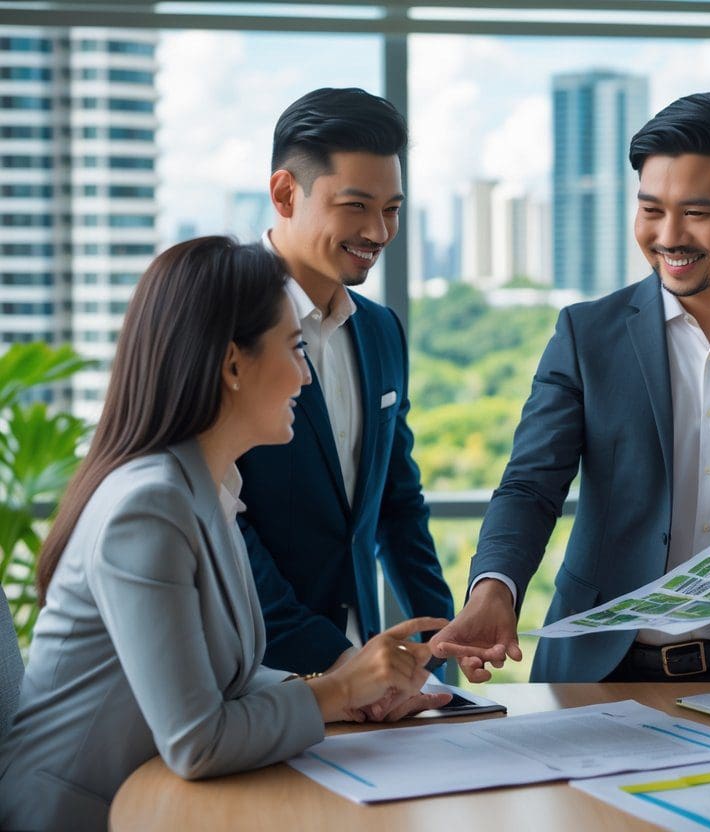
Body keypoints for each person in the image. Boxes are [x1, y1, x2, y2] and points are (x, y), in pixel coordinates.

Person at [0, 238, 451, 832]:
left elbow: (225, 680)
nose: (305, 373)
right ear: (233, 365)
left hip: (158, 798)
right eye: (294, 348)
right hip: (79, 814)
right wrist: (337, 691)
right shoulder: (149, 507)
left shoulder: (209, 486)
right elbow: (197, 741)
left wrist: (346, 690)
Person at [431, 92, 710, 683]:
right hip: (594, 673)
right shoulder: (586, 335)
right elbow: (531, 485)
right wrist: (494, 589)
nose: (668, 236)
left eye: (698, 213)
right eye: (651, 209)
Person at [238, 88, 454, 678]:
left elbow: (397, 505)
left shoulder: (382, 331)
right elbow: (219, 521)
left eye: (392, 209)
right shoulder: (221, 318)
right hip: (255, 673)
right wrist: (334, 662)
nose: (380, 232)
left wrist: (441, 654)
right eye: (356, 206)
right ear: (286, 193)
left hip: (369, 678)